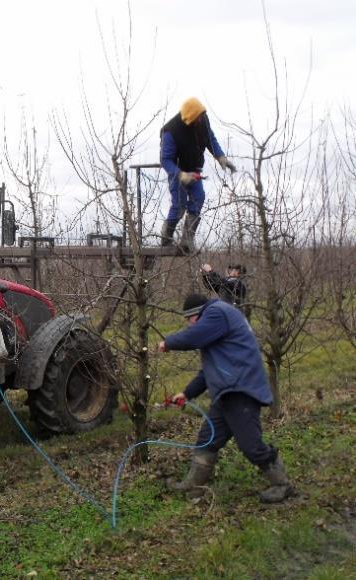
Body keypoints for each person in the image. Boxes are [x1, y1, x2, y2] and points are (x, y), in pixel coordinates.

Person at [157, 293, 293, 503]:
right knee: (207, 440)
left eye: (189, 319)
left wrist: (168, 343)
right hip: (227, 393)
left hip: (241, 390)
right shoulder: (217, 324)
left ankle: (281, 484)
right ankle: (194, 485)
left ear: (197, 314)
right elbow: (208, 371)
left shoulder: (217, 312)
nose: (189, 325)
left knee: (251, 446)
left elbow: (193, 337)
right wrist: (187, 393)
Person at [160, 98, 236, 253]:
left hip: (194, 169)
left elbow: (210, 139)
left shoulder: (203, 119)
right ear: (190, 118)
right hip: (177, 171)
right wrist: (180, 175)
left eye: (201, 116)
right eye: (197, 118)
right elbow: (165, 160)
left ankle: (187, 240)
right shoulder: (171, 132)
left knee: (199, 197)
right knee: (179, 206)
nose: (200, 119)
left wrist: (220, 156)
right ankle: (166, 239)